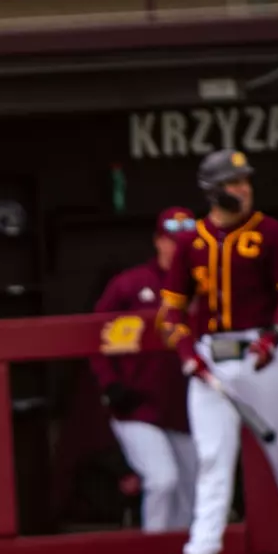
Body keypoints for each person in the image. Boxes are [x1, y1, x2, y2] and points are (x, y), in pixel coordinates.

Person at [155, 149, 278, 554]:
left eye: (245, 181)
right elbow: (171, 310)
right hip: (210, 355)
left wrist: (275, 335)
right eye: (234, 183)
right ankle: (204, 549)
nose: (243, 189)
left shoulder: (270, 232)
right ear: (213, 190)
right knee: (212, 455)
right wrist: (187, 355)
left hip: (260, 352)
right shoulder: (191, 241)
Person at [90, 208, 199, 533]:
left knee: (193, 489)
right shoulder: (130, 284)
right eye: (172, 241)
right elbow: (93, 337)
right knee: (163, 480)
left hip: (186, 409)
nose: (178, 248)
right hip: (137, 406)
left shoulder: (203, 287)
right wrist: (111, 384)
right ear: (158, 241)